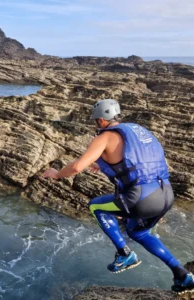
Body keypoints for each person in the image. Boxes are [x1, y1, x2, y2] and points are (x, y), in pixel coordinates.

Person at [42, 99, 194, 295]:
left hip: (141, 198)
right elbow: (137, 163)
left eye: (96, 121)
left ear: (102, 121)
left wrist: (56, 174)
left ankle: (124, 254)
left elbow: (77, 167)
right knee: (137, 233)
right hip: (166, 194)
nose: (96, 124)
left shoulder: (104, 137)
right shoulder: (140, 131)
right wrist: (103, 166)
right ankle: (182, 274)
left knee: (96, 207)